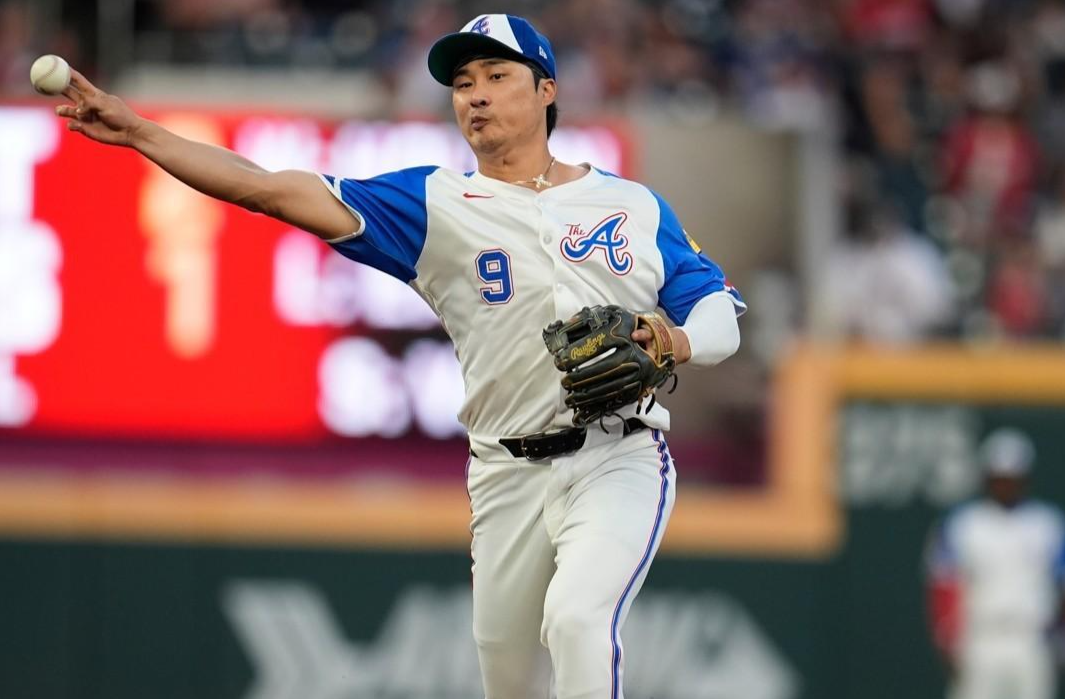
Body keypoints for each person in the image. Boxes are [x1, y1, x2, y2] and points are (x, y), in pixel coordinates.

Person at [53, 14, 745, 698]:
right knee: (508, 682)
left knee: (577, 620)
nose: (474, 94)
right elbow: (264, 188)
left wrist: (674, 339)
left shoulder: (631, 206)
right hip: (506, 474)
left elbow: (717, 311)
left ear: (546, 91)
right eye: (462, 82)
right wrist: (141, 132)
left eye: (497, 76)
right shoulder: (433, 203)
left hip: (616, 455)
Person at [926, 428, 1065, 699]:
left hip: (1031, 639)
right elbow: (943, 585)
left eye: (1012, 478)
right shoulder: (964, 524)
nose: (1005, 485)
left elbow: (1061, 587)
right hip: (981, 640)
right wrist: (947, 643)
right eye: (999, 478)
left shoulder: (1048, 524)